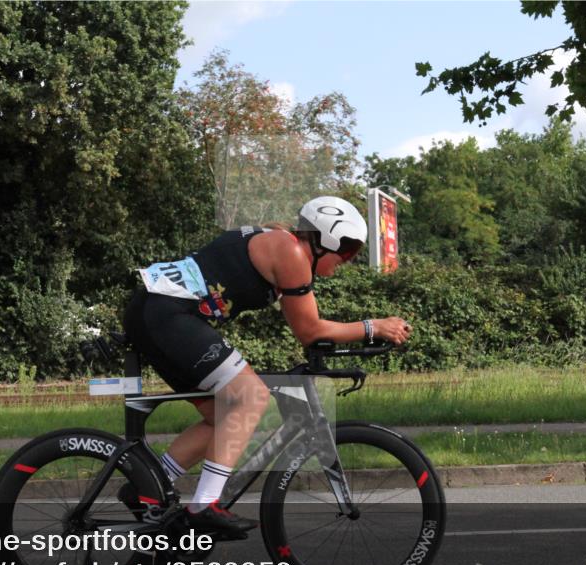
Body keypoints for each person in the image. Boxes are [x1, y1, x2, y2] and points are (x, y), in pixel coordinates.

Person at [121, 196, 412, 535]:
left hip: (158, 312)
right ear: (326, 238)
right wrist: (373, 327)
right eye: (347, 251)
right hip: (168, 314)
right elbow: (310, 330)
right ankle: (203, 506)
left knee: (222, 415)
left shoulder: (284, 245)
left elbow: (312, 326)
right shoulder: (290, 252)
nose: (347, 261)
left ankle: (149, 482)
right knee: (251, 397)